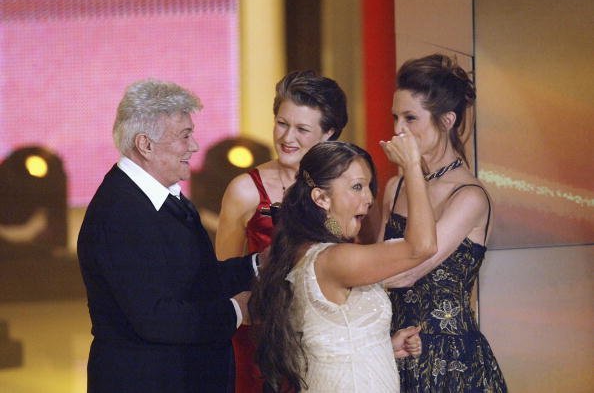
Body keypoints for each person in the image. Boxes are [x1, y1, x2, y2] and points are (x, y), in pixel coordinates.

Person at [77, 79, 257, 393]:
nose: (195, 146)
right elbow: (156, 317)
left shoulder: (161, 198)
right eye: (185, 135)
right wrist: (236, 310)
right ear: (145, 144)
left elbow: (194, 279)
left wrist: (257, 265)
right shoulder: (120, 213)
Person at [249, 139, 437, 392]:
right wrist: (412, 165)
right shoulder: (333, 259)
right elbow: (422, 247)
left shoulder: (310, 250)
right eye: (357, 187)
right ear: (321, 198)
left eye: (369, 187)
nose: (369, 198)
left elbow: (330, 343)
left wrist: (382, 347)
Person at [379, 54, 508, 392]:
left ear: (447, 120)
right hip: (394, 349)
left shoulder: (469, 196)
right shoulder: (394, 188)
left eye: (410, 118)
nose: (397, 130)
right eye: (395, 117)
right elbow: (378, 263)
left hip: (452, 360)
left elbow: (407, 270)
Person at [215, 70, 348, 392]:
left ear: (328, 133)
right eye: (282, 123)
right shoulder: (245, 190)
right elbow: (224, 276)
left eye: (302, 129)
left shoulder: (349, 184)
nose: (288, 138)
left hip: (332, 339)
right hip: (264, 346)